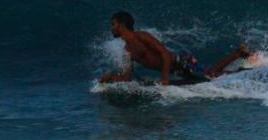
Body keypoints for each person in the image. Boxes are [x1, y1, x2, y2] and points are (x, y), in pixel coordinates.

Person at [98, 11, 255, 85]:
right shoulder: (127, 51)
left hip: (182, 62)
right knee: (210, 72)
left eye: (113, 24)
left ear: (122, 25)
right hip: (176, 69)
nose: (111, 28)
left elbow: (164, 54)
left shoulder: (141, 36)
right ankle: (238, 53)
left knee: (213, 76)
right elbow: (127, 77)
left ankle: (244, 72)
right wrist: (111, 78)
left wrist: (165, 78)